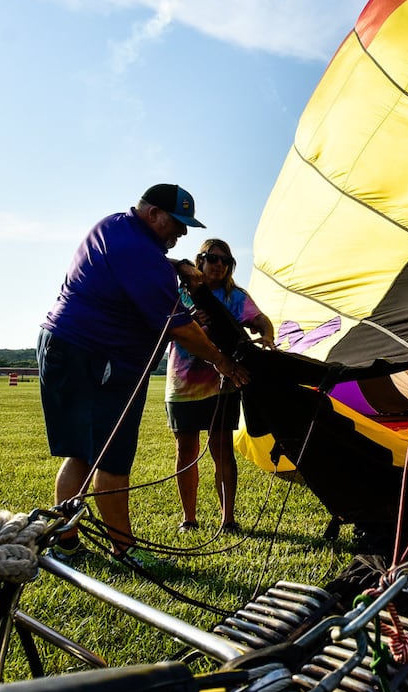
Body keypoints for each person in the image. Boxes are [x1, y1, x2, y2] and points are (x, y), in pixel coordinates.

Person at [38, 183, 250, 567]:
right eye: (177, 223)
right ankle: (125, 549)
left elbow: (137, 263)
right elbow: (181, 328)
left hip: (66, 345)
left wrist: (177, 265)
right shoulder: (141, 253)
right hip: (98, 355)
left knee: (84, 452)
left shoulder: (114, 227)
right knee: (112, 456)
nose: (182, 233)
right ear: (153, 214)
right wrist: (223, 362)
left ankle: (64, 543)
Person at [166, 238, 274, 534]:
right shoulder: (179, 295)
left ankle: (228, 520)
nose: (219, 265)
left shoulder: (236, 297)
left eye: (226, 261)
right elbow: (162, 330)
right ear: (198, 261)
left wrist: (267, 336)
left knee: (222, 449)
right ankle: (189, 519)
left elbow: (262, 320)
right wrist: (188, 321)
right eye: (212, 258)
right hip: (183, 383)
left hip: (223, 384)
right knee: (185, 450)